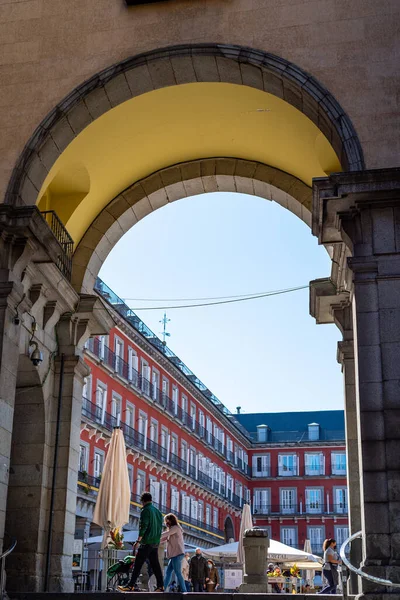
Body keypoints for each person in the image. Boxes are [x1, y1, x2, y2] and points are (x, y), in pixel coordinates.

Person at [118, 492, 164, 592]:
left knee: (138, 564)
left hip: (147, 542)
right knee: (155, 565)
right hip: (155, 542)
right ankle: (161, 586)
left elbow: (143, 526)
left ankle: (130, 585)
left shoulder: (145, 510)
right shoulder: (158, 512)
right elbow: (160, 528)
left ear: (143, 501)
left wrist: (138, 540)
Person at [160, 513, 187, 592]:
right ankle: (163, 588)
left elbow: (166, 534)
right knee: (168, 572)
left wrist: (156, 536)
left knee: (178, 573)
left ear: (171, 520)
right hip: (174, 555)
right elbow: (165, 538)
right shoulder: (173, 529)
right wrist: (157, 541)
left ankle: (184, 591)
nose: (165, 523)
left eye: (166, 521)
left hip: (177, 554)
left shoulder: (176, 528)